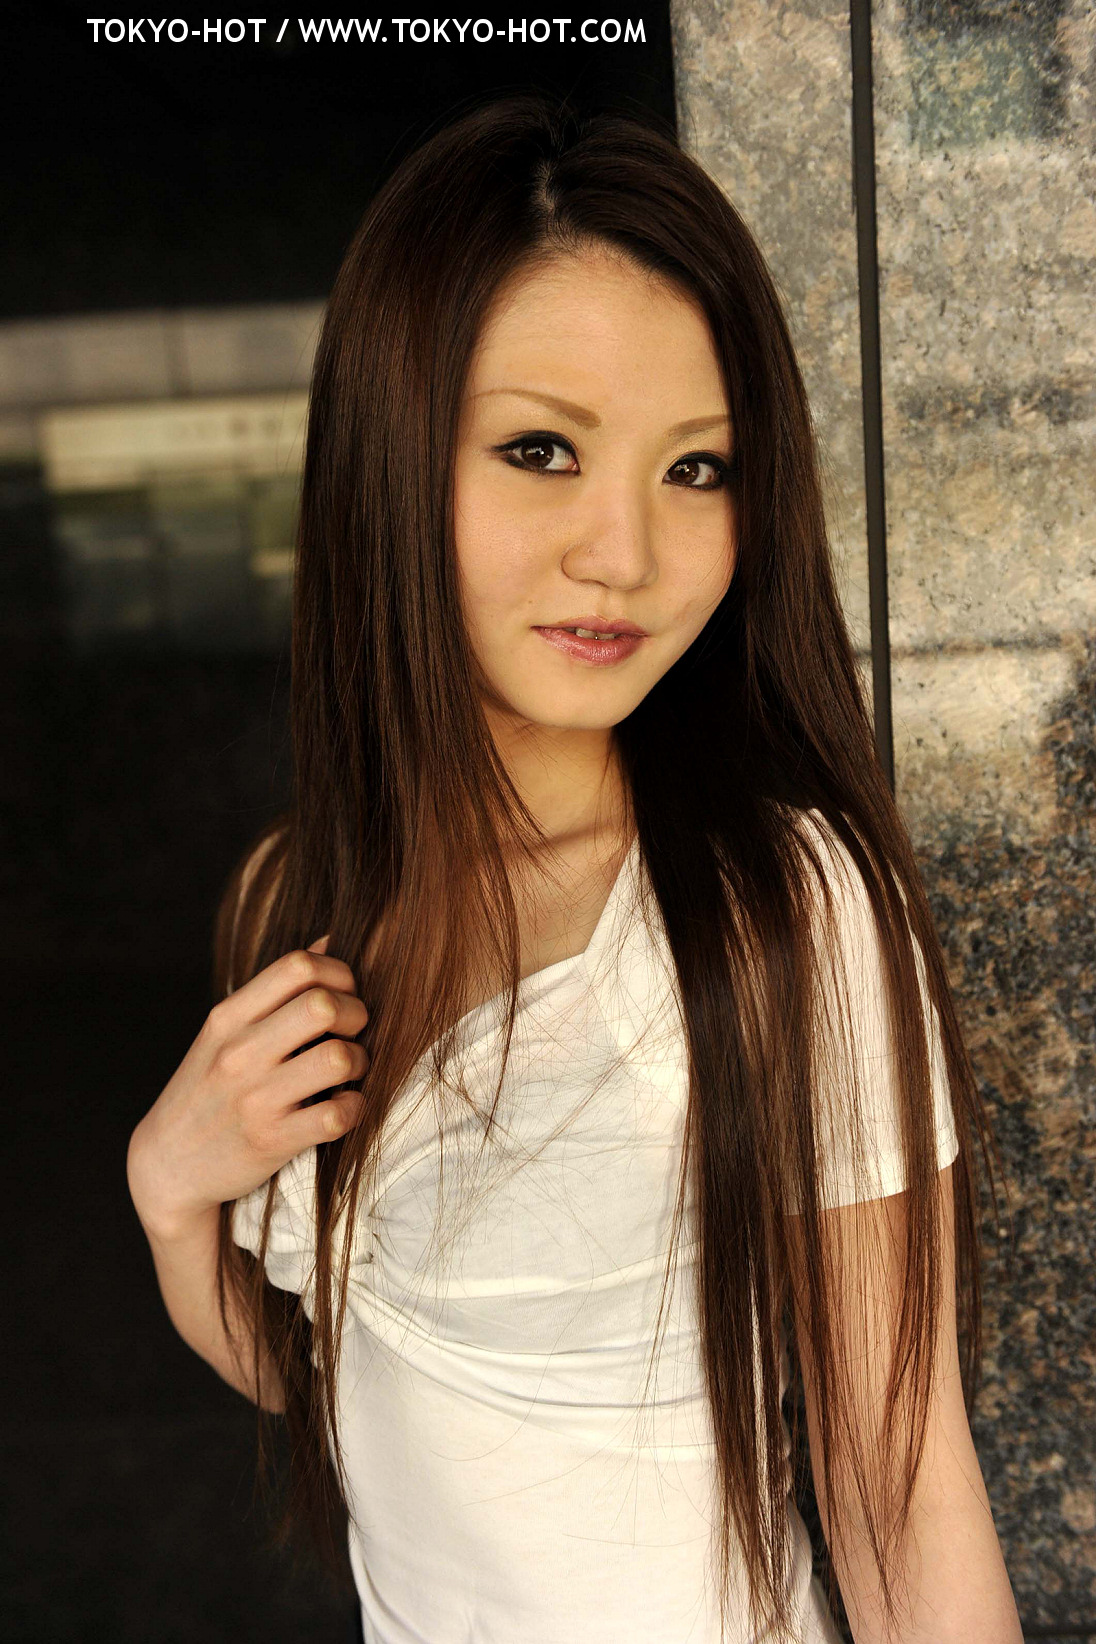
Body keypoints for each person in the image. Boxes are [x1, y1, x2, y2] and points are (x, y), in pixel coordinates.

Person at [126, 93, 1024, 1644]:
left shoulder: (777, 909)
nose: (626, 552)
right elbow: (343, 1393)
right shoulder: (304, 900)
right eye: (542, 449)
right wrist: (168, 1197)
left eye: (700, 469)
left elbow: (902, 1494)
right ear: (391, 456)